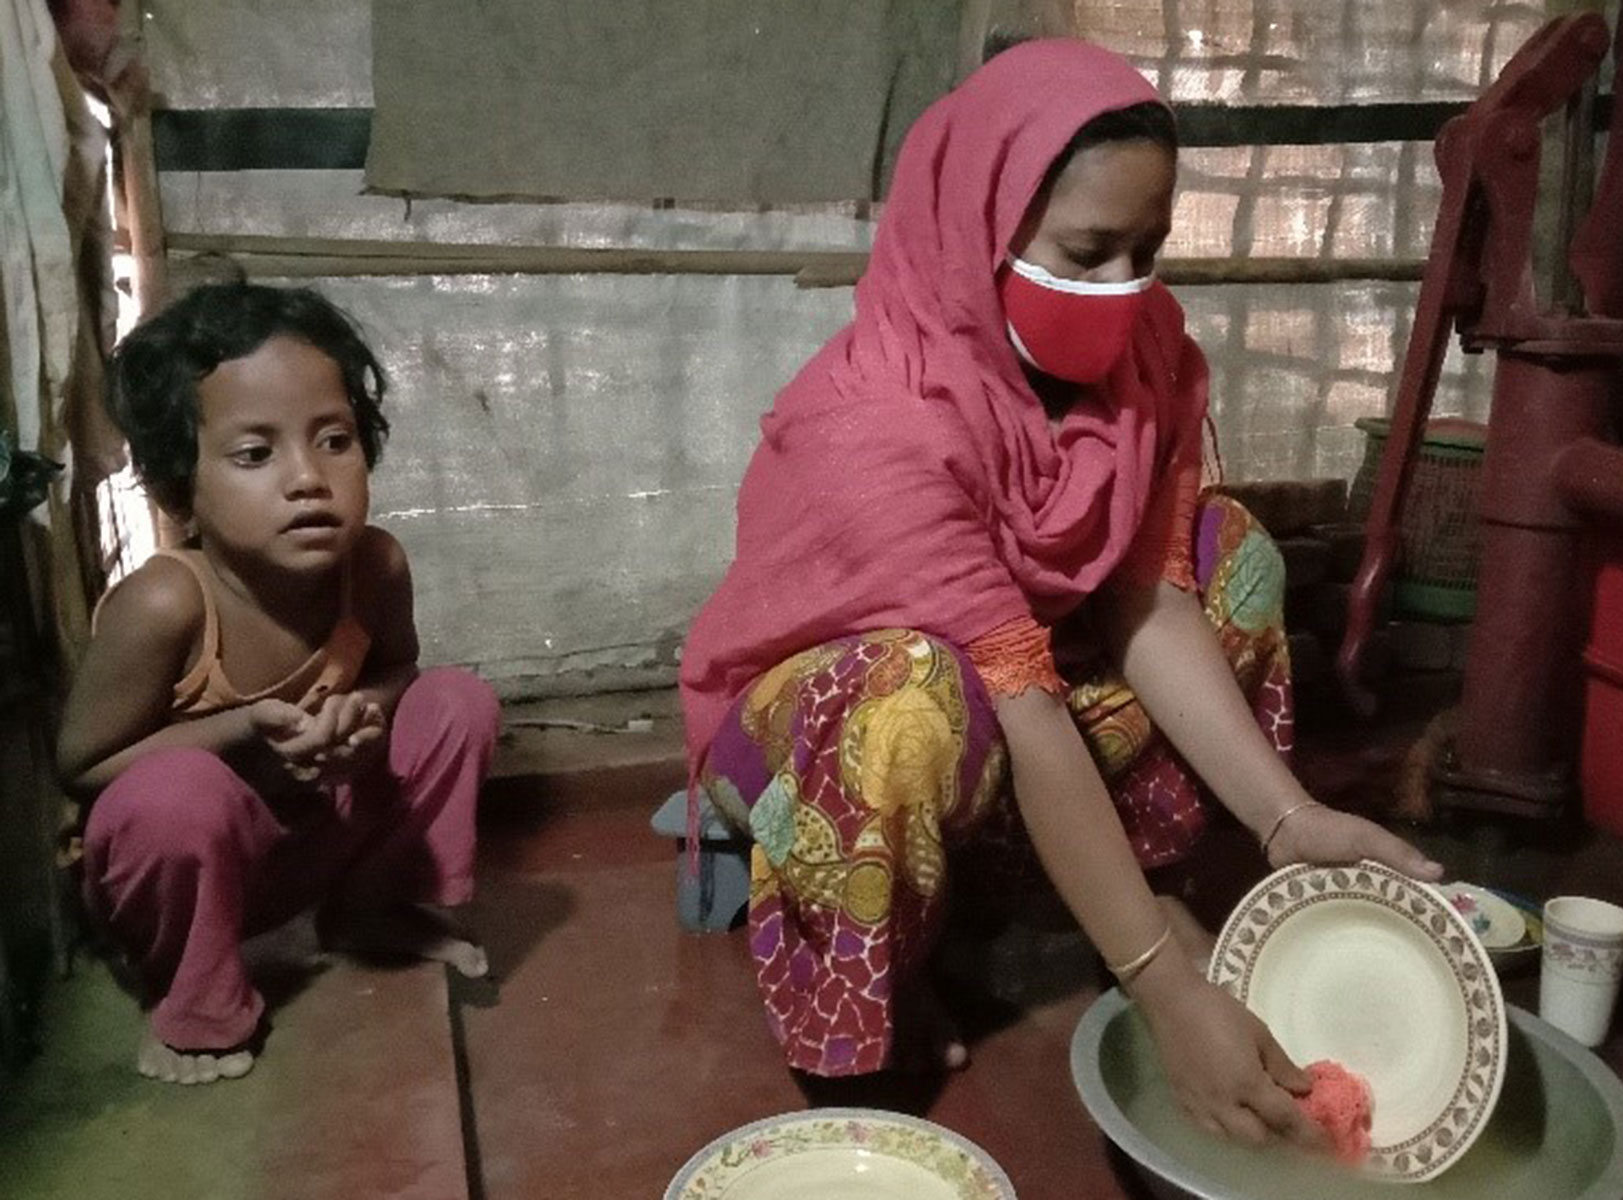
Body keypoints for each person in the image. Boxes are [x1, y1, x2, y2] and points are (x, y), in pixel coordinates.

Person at [679, 39, 1444, 1146]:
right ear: (981, 229)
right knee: (909, 699)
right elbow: (1021, 697)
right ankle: (872, 990)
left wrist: (1289, 817)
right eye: (1086, 253)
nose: (1123, 290)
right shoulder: (881, 423)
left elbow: (1147, 601)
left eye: (1147, 249)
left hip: (1015, 683)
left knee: (1233, 555)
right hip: (824, 721)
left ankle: (1127, 884)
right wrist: (1163, 990)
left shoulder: (1147, 357)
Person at [57, 283, 500, 1085]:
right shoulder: (164, 603)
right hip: (188, 874)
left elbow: (398, 672)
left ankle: (368, 909)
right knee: (179, 793)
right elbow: (83, 765)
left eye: (333, 440)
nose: (308, 478)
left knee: (454, 703)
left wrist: (360, 714)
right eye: (255, 454)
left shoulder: (374, 566)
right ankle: (192, 997)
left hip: (306, 847)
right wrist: (242, 727)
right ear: (174, 493)